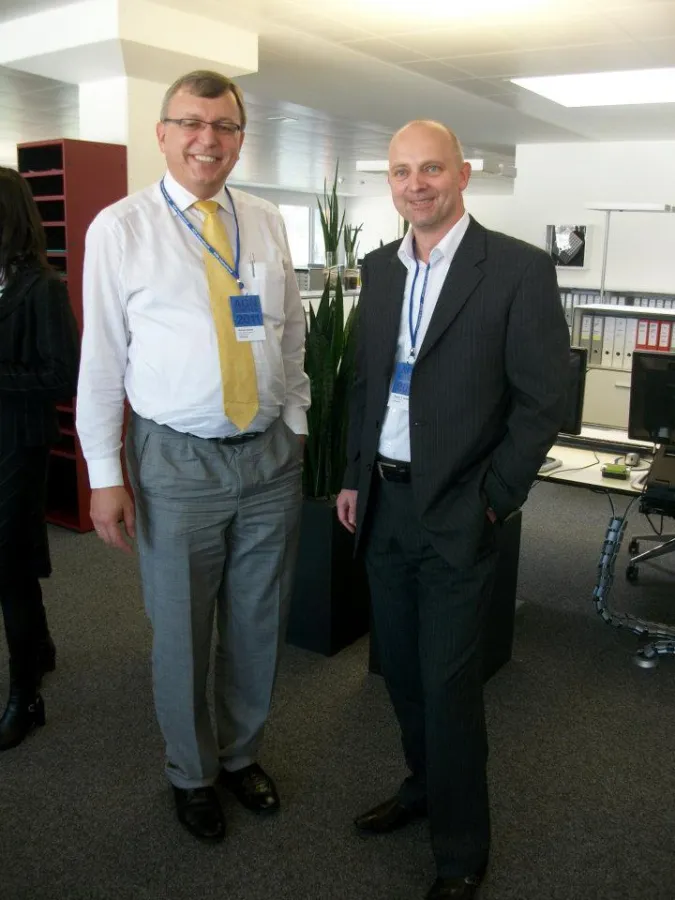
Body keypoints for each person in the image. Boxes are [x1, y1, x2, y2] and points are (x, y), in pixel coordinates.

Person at [336, 121, 570, 900]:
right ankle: (422, 787)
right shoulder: (379, 268)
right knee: (399, 672)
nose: (415, 184)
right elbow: (367, 384)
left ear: (462, 173)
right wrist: (349, 478)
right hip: (383, 504)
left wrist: (494, 502)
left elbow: (542, 403)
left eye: (430, 168)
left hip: (460, 511)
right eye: (400, 172)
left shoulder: (515, 270)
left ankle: (461, 850)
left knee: (449, 685)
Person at [76, 70, 309, 843]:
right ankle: (192, 772)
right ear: (163, 134)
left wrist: (298, 421)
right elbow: (102, 361)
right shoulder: (121, 227)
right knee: (180, 631)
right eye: (191, 123)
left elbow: (288, 335)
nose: (208, 139)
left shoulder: (268, 220)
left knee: (257, 622)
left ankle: (240, 756)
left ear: (241, 137)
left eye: (225, 126)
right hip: (176, 463)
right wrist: (105, 476)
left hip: (270, 456)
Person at [0, 167, 79, 751]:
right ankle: (43, 648)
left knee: (10, 569)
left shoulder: (42, 288)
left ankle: (25, 695)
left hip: (18, 446)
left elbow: (61, 375)